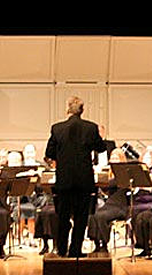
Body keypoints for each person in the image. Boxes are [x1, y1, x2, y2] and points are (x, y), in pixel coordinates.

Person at [44, 96, 108, 257]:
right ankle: (75, 250)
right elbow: (101, 148)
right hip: (83, 180)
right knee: (81, 217)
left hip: (64, 180)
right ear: (82, 110)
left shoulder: (57, 128)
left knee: (63, 216)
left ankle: (61, 249)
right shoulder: (91, 127)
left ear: (68, 109)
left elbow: (49, 153)